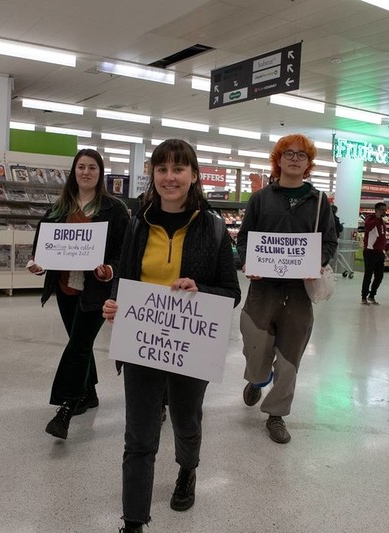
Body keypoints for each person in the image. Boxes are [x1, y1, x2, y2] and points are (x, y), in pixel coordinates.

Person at [102, 139, 241, 533]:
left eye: (178, 169)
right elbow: (126, 277)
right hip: (143, 341)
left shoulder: (212, 228)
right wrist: (115, 304)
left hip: (191, 344)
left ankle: (187, 469)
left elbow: (232, 292)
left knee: (185, 419)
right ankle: (133, 522)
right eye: (161, 169)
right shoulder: (138, 222)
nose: (169, 177)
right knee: (139, 436)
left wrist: (201, 291)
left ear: (193, 175)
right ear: (153, 176)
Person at [237, 134, 337, 445]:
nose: (294, 159)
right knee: (256, 350)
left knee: (291, 358)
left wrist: (317, 260)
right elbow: (243, 239)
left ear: (308, 164)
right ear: (278, 160)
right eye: (288, 154)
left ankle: (276, 414)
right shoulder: (260, 199)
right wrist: (246, 262)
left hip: (298, 295)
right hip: (262, 292)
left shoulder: (319, 202)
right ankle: (256, 379)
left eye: (301, 155)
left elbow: (329, 242)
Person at [27, 148, 130, 440]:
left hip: (96, 291)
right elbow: (42, 249)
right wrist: (37, 266)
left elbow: (123, 252)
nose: (86, 172)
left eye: (92, 168)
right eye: (81, 167)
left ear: (100, 174)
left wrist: (110, 270)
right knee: (78, 340)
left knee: (80, 345)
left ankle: (66, 408)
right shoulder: (59, 208)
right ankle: (89, 394)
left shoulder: (114, 209)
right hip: (65, 288)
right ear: (74, 172)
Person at [361, 201, 388, 305]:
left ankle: (372, 295)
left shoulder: (381, 221)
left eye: (385, 210)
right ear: (377, 210)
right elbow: (368, 227)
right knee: (368, 275)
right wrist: (376, 218)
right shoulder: (370, 218)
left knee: (379, 276)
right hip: (370, 252)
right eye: (382, 210)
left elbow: (382, 235)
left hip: (379, 252)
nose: (384, 212)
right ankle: (364, 297)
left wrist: (385, 246)